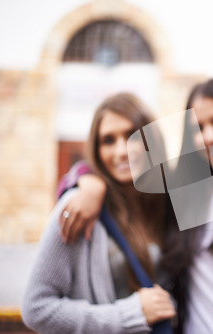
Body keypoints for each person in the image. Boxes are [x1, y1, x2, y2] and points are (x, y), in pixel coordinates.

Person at [55, 78, 213, 333]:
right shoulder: (183, 193)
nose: (210, 136)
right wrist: (89, 181)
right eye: (198, 128)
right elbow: (114, 173)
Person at [21, 93, 177, 333]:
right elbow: (36, 308)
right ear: (96, 148)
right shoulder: (80, 206)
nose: (121, 151)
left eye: (131, 135)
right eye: (108, 140)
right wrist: (131, 315)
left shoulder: (167, 202)